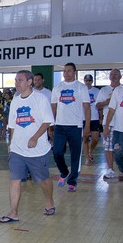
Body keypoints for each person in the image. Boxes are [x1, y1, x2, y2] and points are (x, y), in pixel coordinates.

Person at [0, 71, 55, 223]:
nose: (17, 83)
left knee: (43, 179)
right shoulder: (15, 101)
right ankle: (13, 213)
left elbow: (47, 121)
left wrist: (35, 137)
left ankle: (49, 201)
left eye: (20, 80)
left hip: (38, 150)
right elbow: (12, 126)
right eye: (16, 80)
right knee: (14, 180)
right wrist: (12, 144)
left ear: (29, 82)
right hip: (18, 149)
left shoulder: (40, 99)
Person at [50, 62, 90, 192]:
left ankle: (72, 181)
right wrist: (51, 123)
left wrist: (87, 125)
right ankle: (64, 172)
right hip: (60, 126)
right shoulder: (57, 88)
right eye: (65, 71)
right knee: (57, 152)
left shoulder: (81, 87)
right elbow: (53, 107)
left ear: (74, 72)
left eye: (69, 71)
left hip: (75, 126)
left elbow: (87, 107)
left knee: (75, 155)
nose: (66, 73)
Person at [96, 69, 122, 180]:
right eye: (111, 74)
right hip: (109, 123)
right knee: (108, 147)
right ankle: (110, 169)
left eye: (116, 74)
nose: (113, 76)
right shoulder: (104, 90)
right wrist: (106, 102)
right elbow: (97, 105)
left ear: (120, 76)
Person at [82, 74, 100, 165]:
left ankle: (90, 150)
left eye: (89, 81)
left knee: (95, 138)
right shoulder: (81, 91)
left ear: (92, 81)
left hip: (94, 117)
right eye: (86, 81)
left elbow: (99, 105)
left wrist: (100, 118)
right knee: (85, 138)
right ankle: (87, 158)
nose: (88, 82)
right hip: (83, 118)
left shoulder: (97, 91)